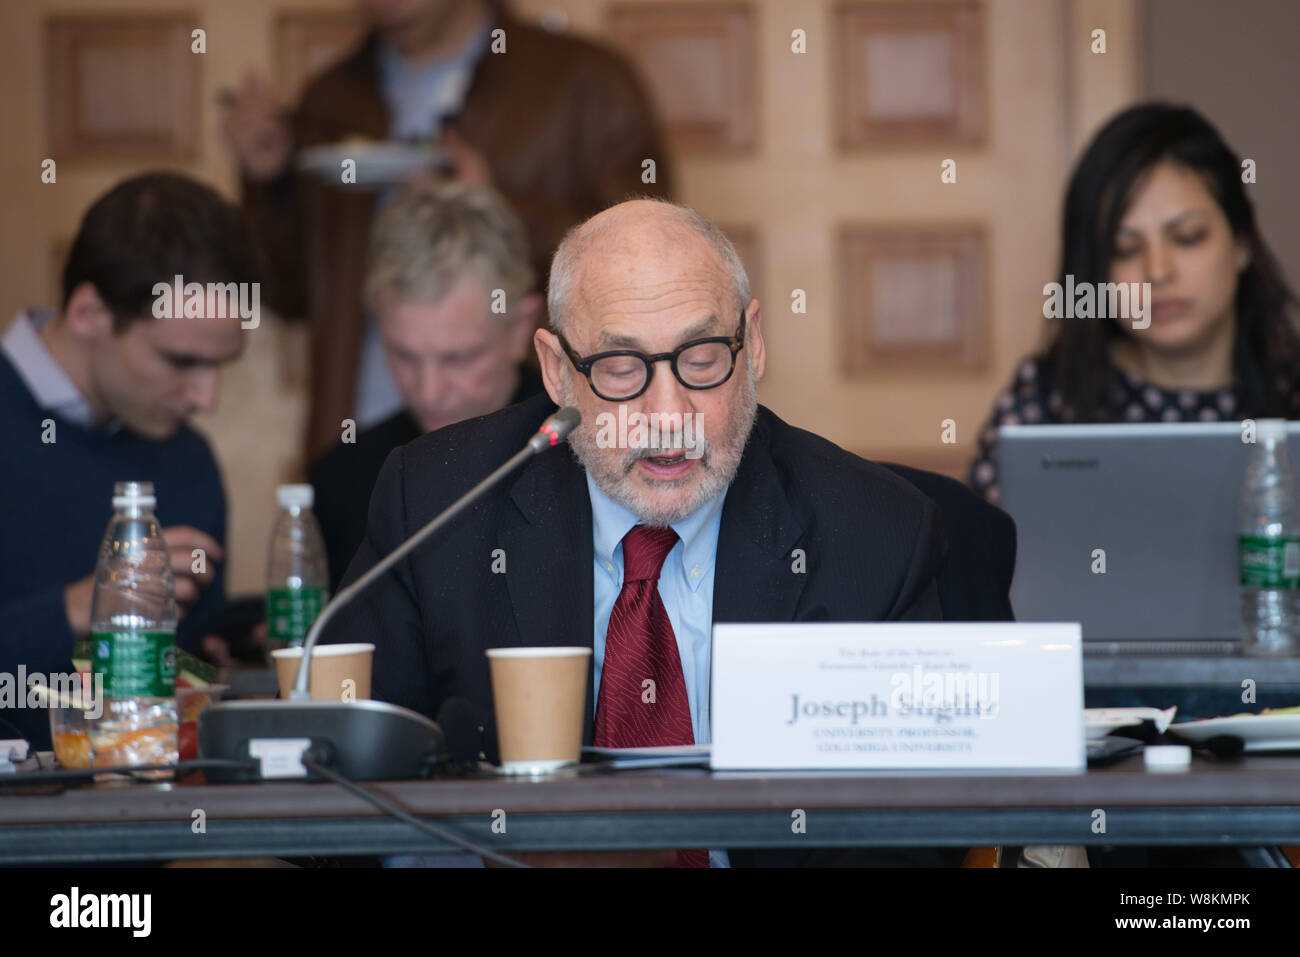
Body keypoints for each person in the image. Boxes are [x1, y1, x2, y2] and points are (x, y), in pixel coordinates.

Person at [323, 198, 966, 867]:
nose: (667, 415)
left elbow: (911, 839)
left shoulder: (872, 530)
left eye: (701, 355)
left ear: (755, 342)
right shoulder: (437, 504)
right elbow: (337, 800)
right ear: (555, 371)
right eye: (621, 368)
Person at [223, 0, 673, 463]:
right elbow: (291, 293)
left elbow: (649, 268)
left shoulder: (588, 84)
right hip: (366, 446)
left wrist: (495, 209)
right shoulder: (330, 98)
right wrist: (271, 182)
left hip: (539, 450)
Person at [0, 173, 259, 748]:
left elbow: (179, 677)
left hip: (148, 819)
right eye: (180, 360)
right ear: (90, 311)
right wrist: (77, 609)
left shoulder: (187, 458)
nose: (207, 398)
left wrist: (237, 635)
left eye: (223, 365)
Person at [969, 102, 1300, 503]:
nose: (1157, 272)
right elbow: (988, 554)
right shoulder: (1048, 402)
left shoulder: (1291, 390)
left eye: (1188, 237)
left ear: (1242, 244)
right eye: (1125, 249)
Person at [309, 183, 543, 591]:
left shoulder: (589, 458)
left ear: (519, 329)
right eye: (404, 356)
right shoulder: (343, 480)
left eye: (459, 358)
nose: (429, 392)